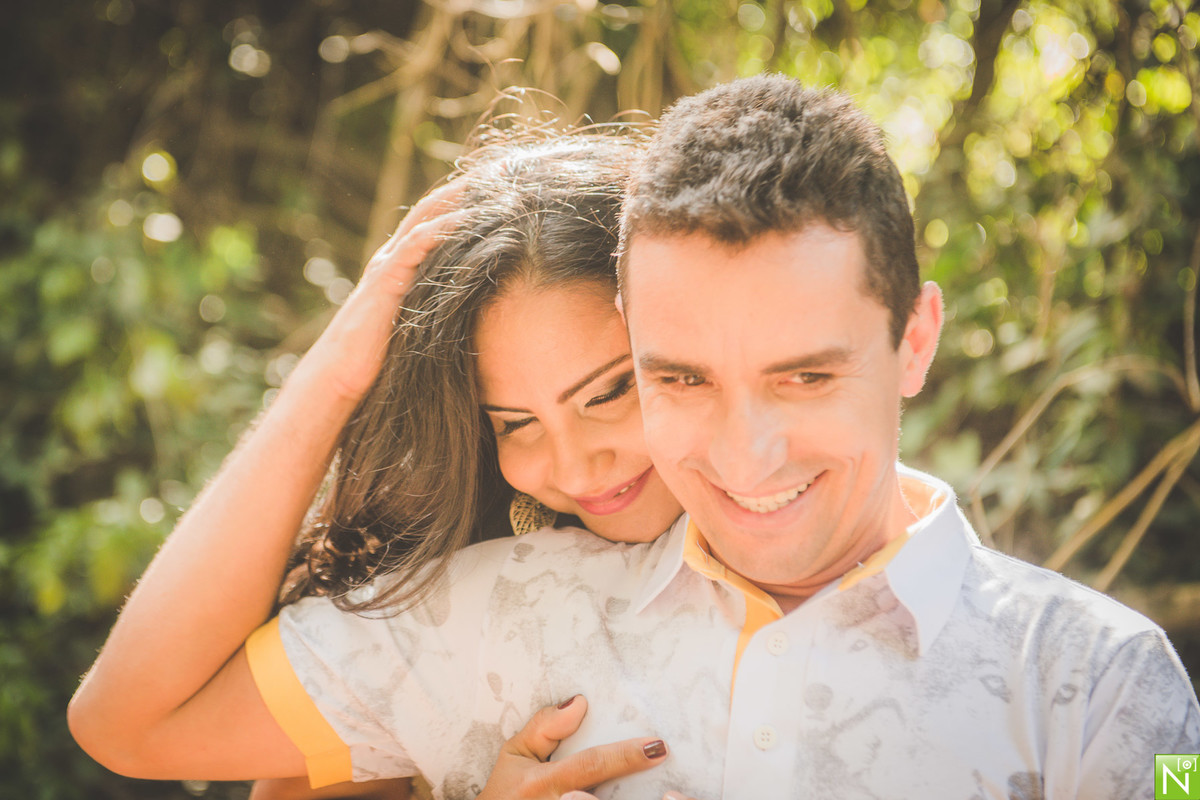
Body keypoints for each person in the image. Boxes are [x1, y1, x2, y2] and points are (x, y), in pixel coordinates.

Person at [73, 76, 1200, 799]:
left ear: (915, 339)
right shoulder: (494, 611)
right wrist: (332, 374)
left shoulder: (1111, 683)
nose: (747, 450)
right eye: (677, 379)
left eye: (804, 375)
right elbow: (131, 719)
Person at [68, 129, 682, 798]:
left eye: (611, 391)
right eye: (514, 423)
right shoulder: (453, 625)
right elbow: (124, 724)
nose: (577, 467)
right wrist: (331, 379)